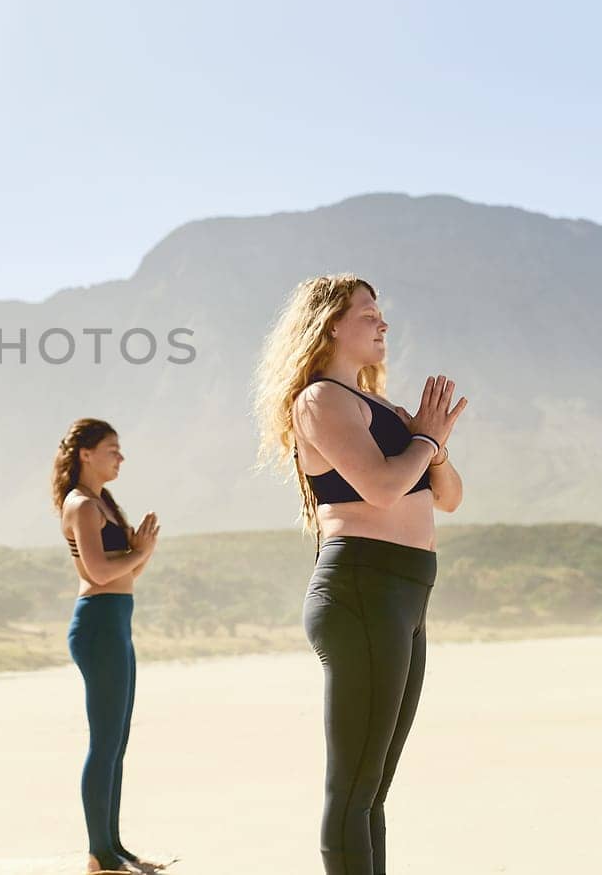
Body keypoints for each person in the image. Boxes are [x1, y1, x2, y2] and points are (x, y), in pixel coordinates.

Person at [254, 274, 466, 875]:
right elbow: (380, 487)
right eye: (368, 314)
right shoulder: (321, 400)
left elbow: (447, 496)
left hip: (405, 593)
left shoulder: (385, 411)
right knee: (352, 790)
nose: (383, 325)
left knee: (372, 791)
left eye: (381, 315)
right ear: (329, 326)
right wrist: (423, 439)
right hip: (362, 589)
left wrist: (434, 444)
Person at [54, 418, 164, 874]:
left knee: (117, 740)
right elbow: (96, 574)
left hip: (117, 622)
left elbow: (125, 575)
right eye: (112, 449)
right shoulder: (81, 505)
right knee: (104, 742)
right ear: (85, 453)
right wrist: (143, 550)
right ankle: (99, 853)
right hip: (98, 626)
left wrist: (139, 553)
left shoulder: (104, 505)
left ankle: (115, 848)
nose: (121, 457)